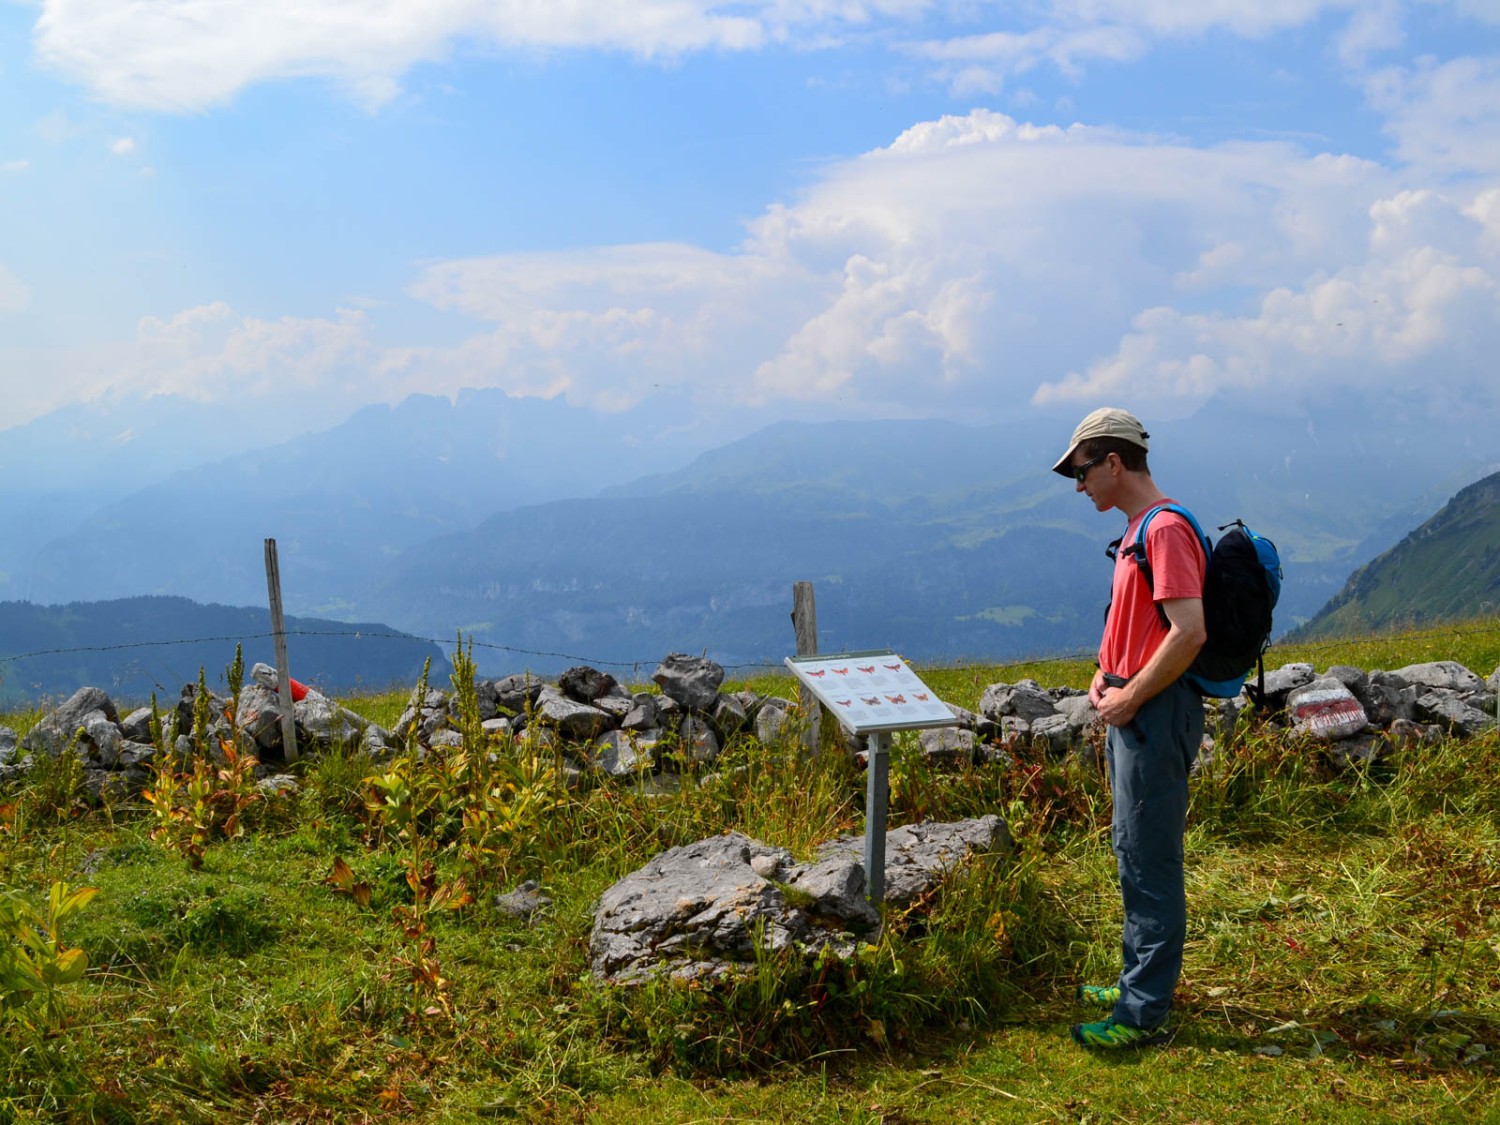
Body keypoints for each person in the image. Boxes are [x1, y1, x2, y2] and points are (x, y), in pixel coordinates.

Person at [1051, 407, 1207, 1049]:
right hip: (1133, 707)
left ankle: (1142, 1014)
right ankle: (1136, 981)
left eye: (1082, 473)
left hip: (1154, 713)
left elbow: (1189, 631)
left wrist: (1131, 694)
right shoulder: (1139, 530)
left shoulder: (1164, 529)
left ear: (1114, 462)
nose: (1079, 486)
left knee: (1149, 861)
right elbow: (1135, 623)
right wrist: (1103, 674)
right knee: (1130, 849)